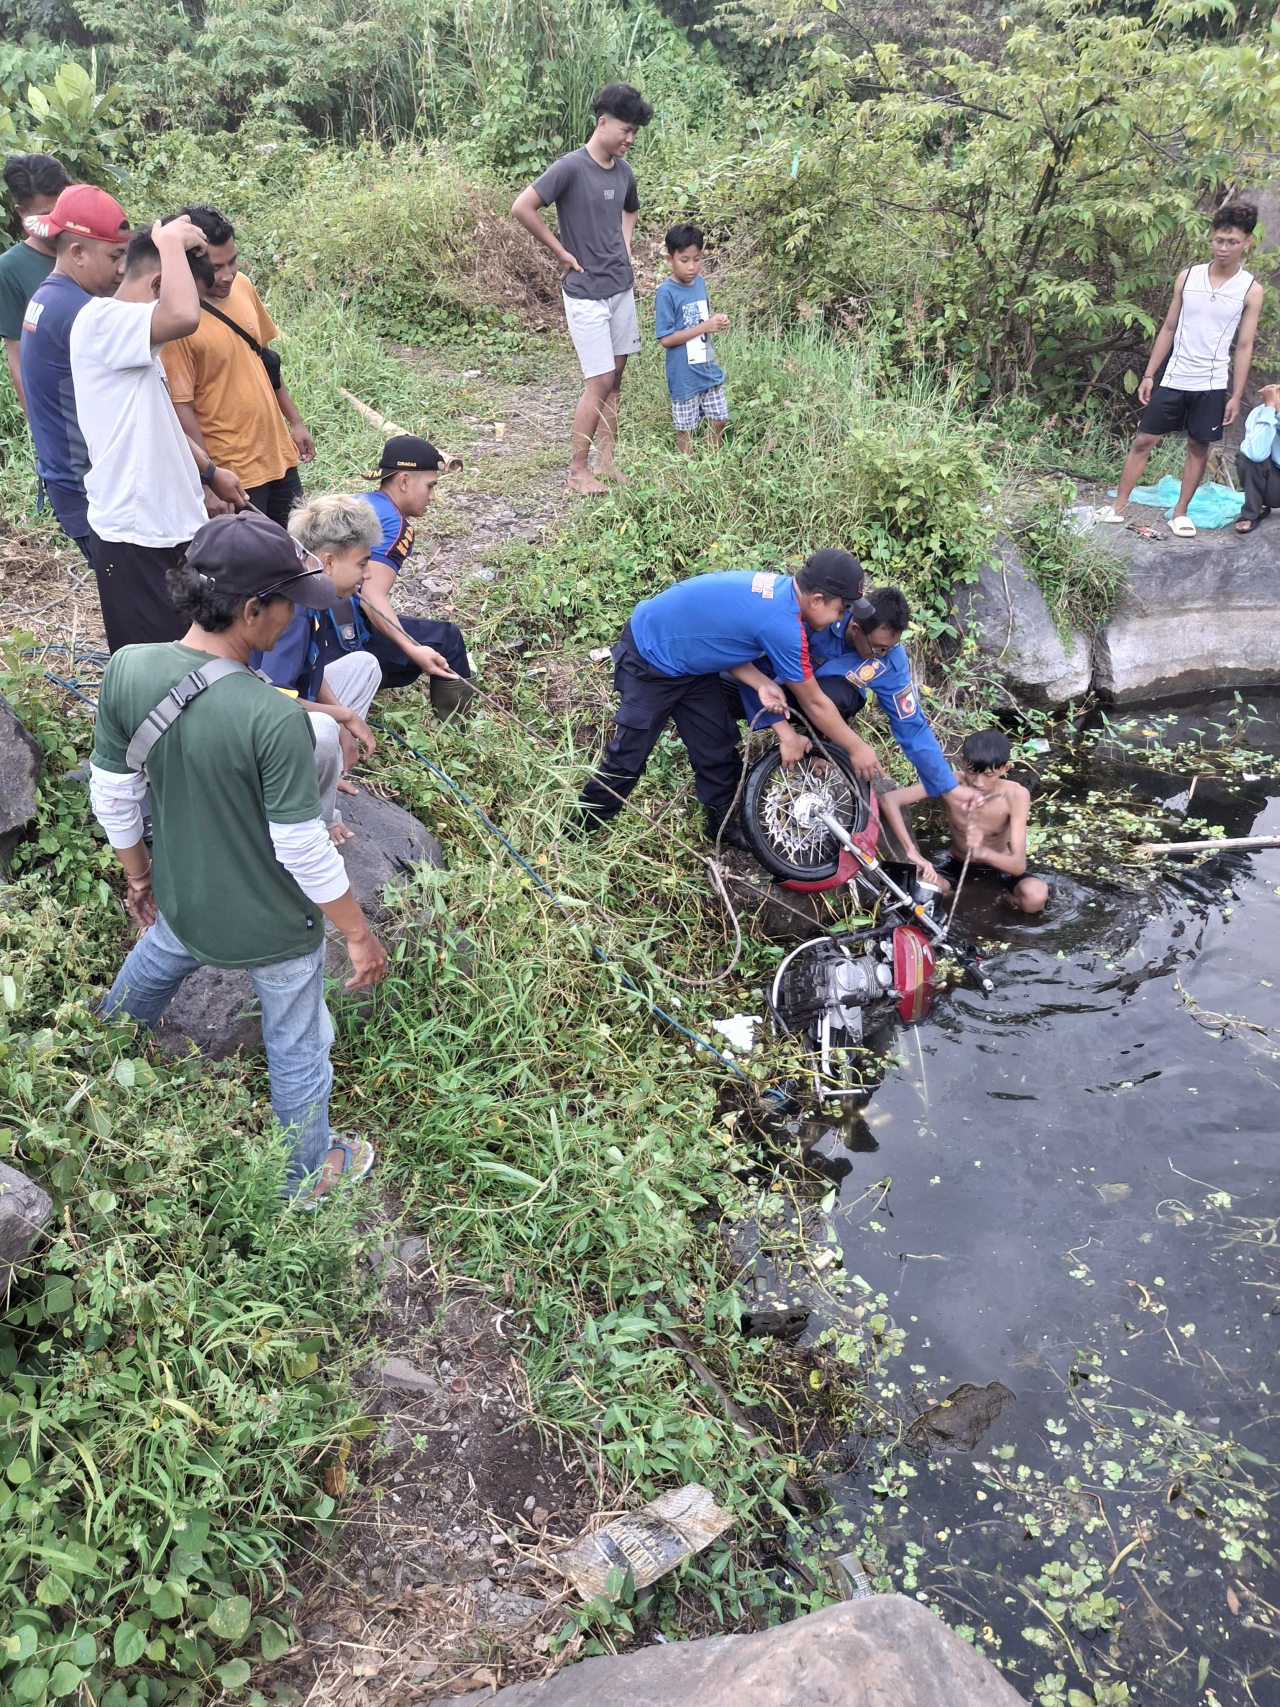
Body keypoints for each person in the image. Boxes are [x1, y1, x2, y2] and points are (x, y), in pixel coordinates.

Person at [90, 510, 387, 1204]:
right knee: (298, 1042)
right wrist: (356, 931)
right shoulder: (273, 718)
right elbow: (302, 850)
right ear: (254, 608)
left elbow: (113, 793)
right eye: (287, 605)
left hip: (185, 898)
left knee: (163, 950)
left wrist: (139, 875)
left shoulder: (129, 667)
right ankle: (307, 1174)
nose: (292, 620)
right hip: (271, 927)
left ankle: (95, 1045)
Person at [578, 550, 883, 843]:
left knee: (717, 747)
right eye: (841, 610)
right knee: (627, 759)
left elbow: (720, 635)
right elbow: (814, 702)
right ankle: (578, 832)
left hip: (692, 664)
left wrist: (760, 682)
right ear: (817, 600)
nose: (840, 619)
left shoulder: (780, 594)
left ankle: (720, 828)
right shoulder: (784, 625)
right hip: (651, 655)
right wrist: (856, 748)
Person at [69, 215, 247, 651]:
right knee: (156, 672)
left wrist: (209, 472)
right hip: (136, 535)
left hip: (167, 528)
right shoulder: (102, 320)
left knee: (188, 660)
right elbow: (183, 315)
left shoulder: (135, 345)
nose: (197, 309)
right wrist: (169, 242)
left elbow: (158, 420)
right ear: (158, 285)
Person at [512, 82, 651, 495]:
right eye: (625, 130)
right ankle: (577, 469)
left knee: (617, 378)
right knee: (600, 379)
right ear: (602, 122)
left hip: (619, 287)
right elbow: (523, 207)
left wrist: (625, 245)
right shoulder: (570, 168)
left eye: (634, 133)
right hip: (585, 290)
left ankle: (605, 462)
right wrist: (560, 251)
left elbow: (630, 210)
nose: (629, 140)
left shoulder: (624, 173)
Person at [1097, 203, 1264, 540]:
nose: (1223, 248)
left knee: (1199, 446)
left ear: (1246, 242)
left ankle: (1180, 512)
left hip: (1213, 383)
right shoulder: (1188, 277)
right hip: (1175, 376)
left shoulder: (1250, 289)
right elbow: (1169, 328)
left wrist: (1235, 395)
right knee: (1144, 440)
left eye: (1232, 242)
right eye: (1218, 240)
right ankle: (1118, 507)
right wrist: (1149, 373)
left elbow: (1244, 346)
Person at [731, 585, 970, 811]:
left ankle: (820, 742)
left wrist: (946, 786)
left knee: (839, 694)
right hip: (769, 686)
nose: (883, 654)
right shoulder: (820, 615)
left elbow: (912, 727)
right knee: (716, 685)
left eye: (890, 647)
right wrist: (783, 730)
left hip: (826, 702)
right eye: (878, 647)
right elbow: (751, 657)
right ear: (856, 628)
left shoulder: (890, 661)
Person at [162, 203, 315, 529]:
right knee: (255, 570)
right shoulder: (176, 321)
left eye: (232, 261)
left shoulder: (243, 285)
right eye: (217, 267)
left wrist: (296, 421)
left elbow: (265, 362)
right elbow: (181, 409)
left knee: (297, 551)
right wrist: (208, 481)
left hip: (278, 456)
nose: (228, 274)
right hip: (234, 474)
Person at [253, 494, 383, 842]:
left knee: (364, 665)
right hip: (253, 722)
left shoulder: (316, 588)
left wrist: (341, 713)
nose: (368, 573)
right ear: (327, 561)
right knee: (324, 728)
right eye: (362, 563)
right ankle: (321, 819)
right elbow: (272, 699)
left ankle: (324, 771)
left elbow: (310, 667)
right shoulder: (291, 610)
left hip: (278, 704)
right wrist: (341, 716)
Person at [18, 183, 131, 560]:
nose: (122, 268)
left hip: (65, 478)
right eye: (115, 255)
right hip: (86, 487)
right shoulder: (80, 312)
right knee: (134, 603)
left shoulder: (48, 296)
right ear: (78, 252)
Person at [356, 435, 474, 718]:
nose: (433, 497)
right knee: (447, 639)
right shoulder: (395, 525)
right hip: (341, 634)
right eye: (431, 486)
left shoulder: (358, 502)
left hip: (310, 622)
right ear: (405, 481)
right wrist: (411, 648)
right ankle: (455, 730)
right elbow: (369, 597)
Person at [880, 729, 1048, 915]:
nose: (978, 783)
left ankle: (998, 898)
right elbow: (889, 800)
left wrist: (982, 852)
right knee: (921, 888)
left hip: (1001, 867)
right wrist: (911, 850)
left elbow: (1018, 865)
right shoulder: (951, 783)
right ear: (962, 761)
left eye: (988, 775)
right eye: (971, 772)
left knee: (1035, 896)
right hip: (956, 865)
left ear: (1004, 769)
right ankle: (958, 894)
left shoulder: (1016, 795)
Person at [0, 152, 71, 415]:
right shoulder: (10, 269)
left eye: (62, 211)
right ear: (21, 213)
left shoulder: (94, 244)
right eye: (45, 215)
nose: (57, 224)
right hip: (61, 406)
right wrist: (38, 423)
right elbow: (17, 355)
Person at [655, 223, 729, 454]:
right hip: (683, 373)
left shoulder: (700, 283)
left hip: (706, 367)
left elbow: (702, 320)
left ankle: (712, 464)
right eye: (684, 260)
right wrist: (704, 327)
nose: (692, 267)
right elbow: (666, 339)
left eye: (697, 259)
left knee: (719, 418)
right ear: (669, 260)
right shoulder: (666, 293)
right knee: (685, 428)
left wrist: (718, 323)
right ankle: (686, 471)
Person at [1233, 381, 1280, 534]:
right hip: (1274, 486)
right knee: (1246, 458)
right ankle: (1253, 512)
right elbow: (1255, 453)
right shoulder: (1260, 412)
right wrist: (1270, 411)